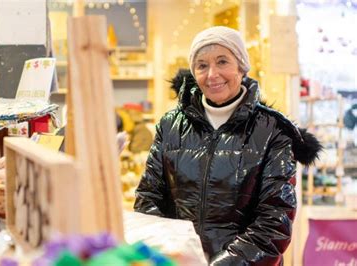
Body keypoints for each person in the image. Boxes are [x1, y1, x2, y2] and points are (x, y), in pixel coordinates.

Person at [134, 26, 322, 265]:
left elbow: (275, 220)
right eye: (202, 65)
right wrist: (171, 255)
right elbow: (148, 200)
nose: (212, 74)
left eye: (222, 62)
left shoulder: (272, 130)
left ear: (242, 67)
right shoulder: (170, 125)